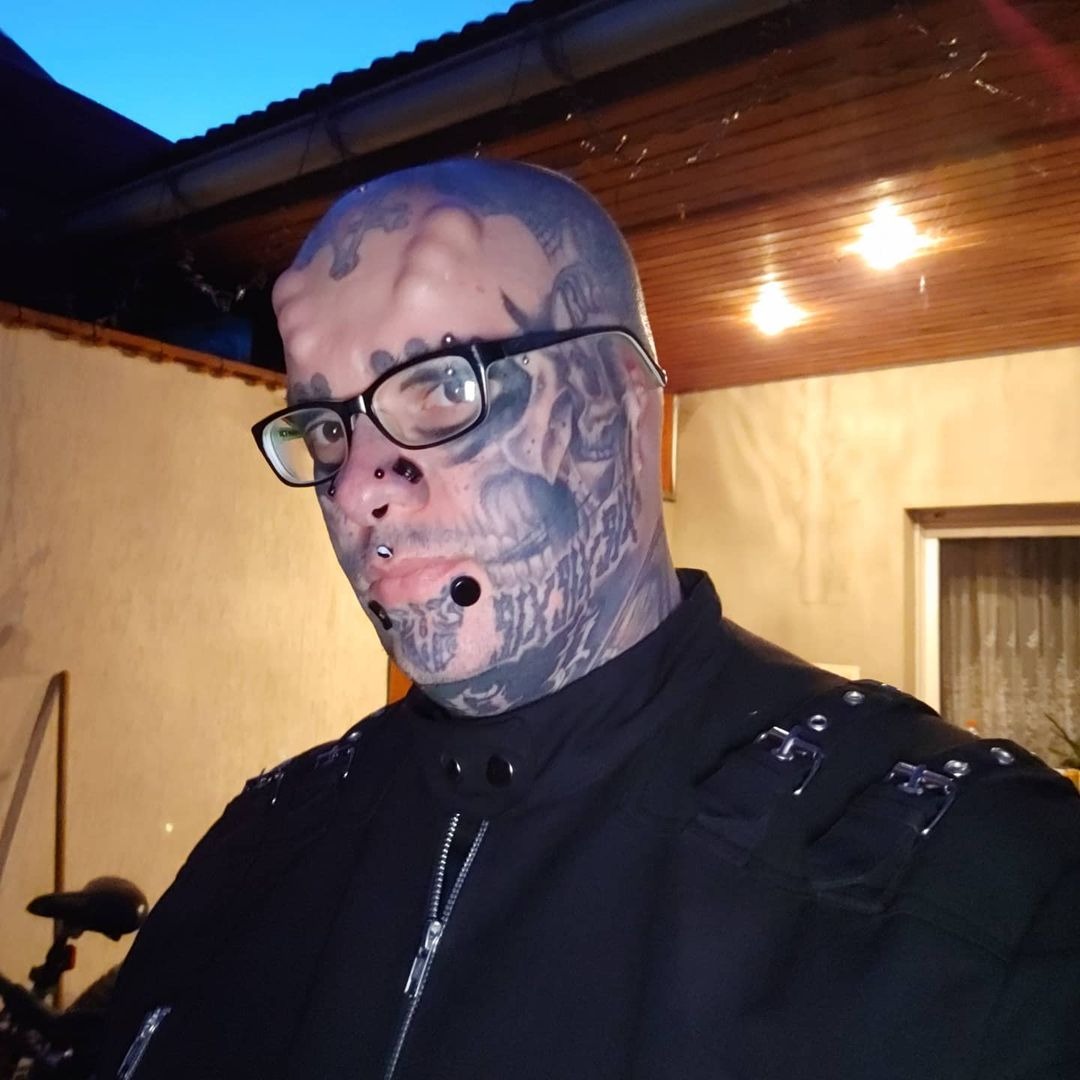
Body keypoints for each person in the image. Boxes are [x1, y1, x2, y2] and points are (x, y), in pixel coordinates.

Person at [97, 159, 1080, 1080]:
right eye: (324, 426)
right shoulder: (261, 845)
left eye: (441, 384)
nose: (358, 488)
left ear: (622, 406)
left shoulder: (980, 893)